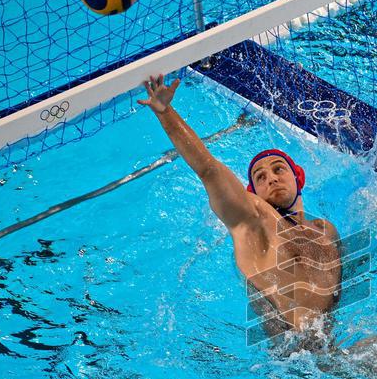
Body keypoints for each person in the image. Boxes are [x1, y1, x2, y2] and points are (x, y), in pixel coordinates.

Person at [137, 74, 341, 338]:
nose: (272, 178)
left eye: (279, 169)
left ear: (297, 176)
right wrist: (165, 113)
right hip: (294, 354)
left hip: (334, 340)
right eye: (261, 178)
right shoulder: (256, 223)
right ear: (252, 194)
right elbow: (209, 170)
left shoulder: (325, 229)